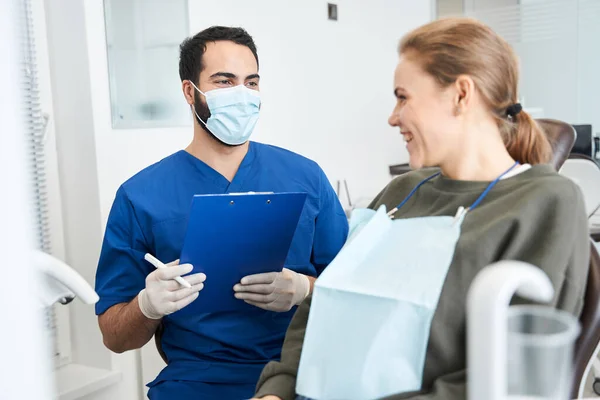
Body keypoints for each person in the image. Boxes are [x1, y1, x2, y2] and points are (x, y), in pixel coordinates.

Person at [252, 18, 590, 400]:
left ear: (461, 95)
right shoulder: (402, 191)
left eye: (403, 96)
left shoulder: (546, 201)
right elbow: (323, 304)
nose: (392, 117)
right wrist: (275, 391)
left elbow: (517, 377)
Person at [94, 26, 348, 400]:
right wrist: (147, 306)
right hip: (196, 383)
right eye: (225, 81)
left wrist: (303, 289)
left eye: (251, 82)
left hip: (300, 373)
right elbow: (115, 337)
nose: (241, 95)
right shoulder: (140, 196)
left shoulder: (305, 177)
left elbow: (353, 292)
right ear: (189, 92)